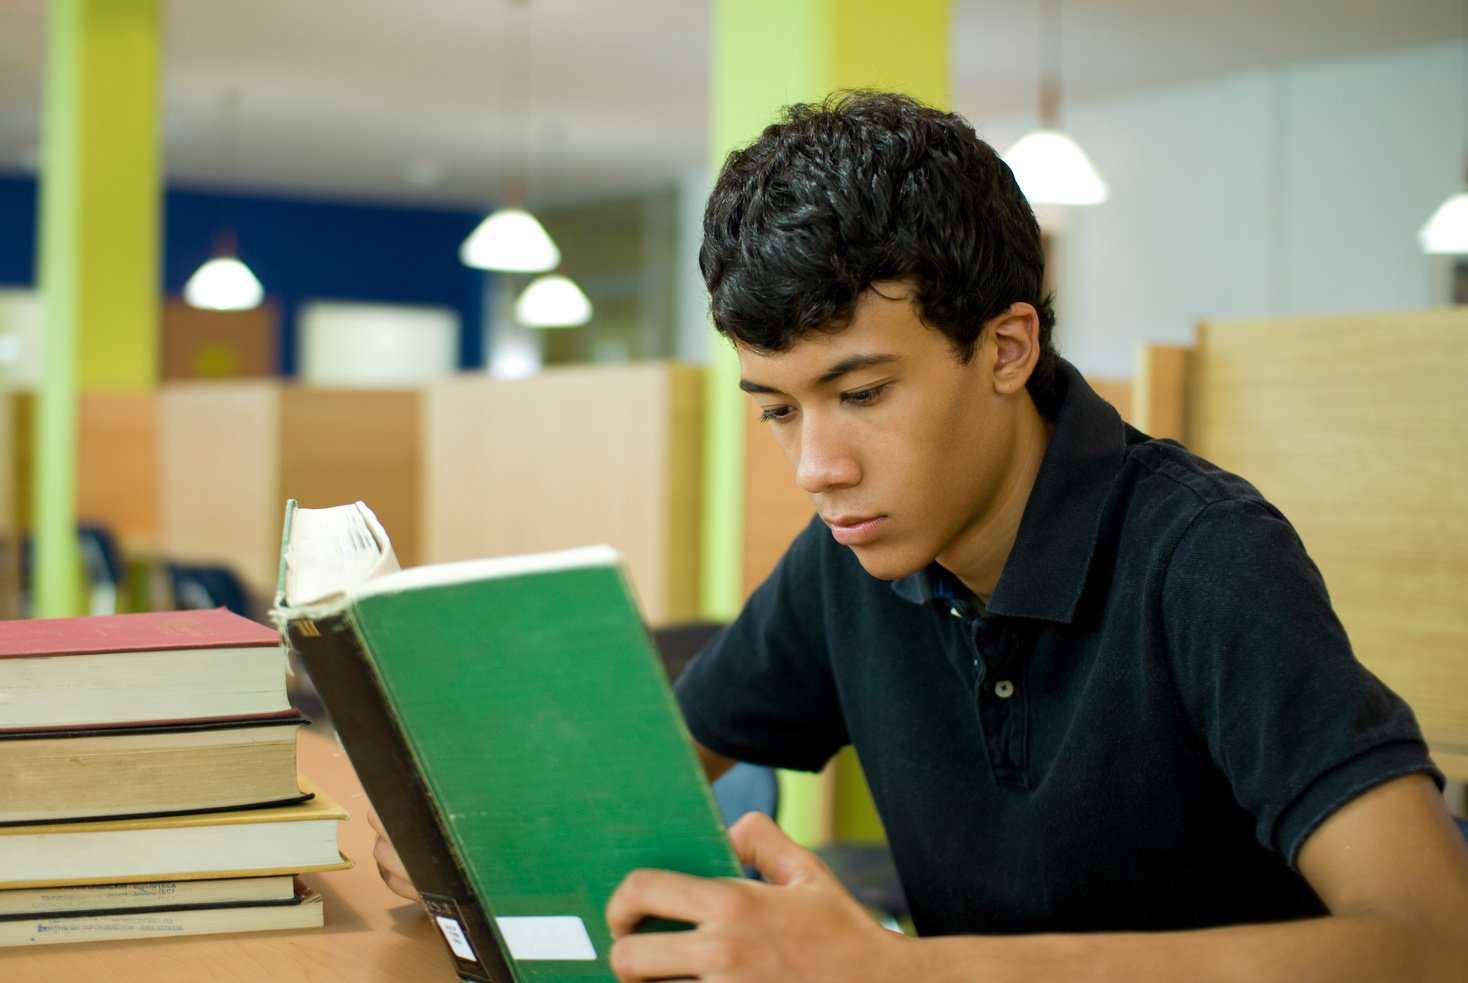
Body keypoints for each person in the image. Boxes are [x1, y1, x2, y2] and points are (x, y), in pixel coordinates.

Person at [372, 91, 1468, 981]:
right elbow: (652, 768)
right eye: (779, 408)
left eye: (861, 391)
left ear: (1005, 347)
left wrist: (900, 971)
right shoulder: (847, 557)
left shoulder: (1206, 557)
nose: (816, 468)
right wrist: (461, 818)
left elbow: (1431, 939)